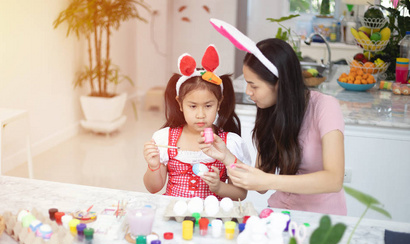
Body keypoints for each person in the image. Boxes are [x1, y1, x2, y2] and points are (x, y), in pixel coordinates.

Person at [202, 19, 346, 215]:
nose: (248, 92)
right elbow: (260, 183)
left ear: (279, 83)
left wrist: (268, 180)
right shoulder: (269, 112)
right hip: (278, 211)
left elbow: (334, 180)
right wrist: (227, 158)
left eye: (254, 85)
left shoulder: (325, 107)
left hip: (321, 218)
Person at [143, 45, 251, 200]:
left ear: (219, 103)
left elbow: (240, 194)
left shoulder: (229, 143)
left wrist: (219, 187)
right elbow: (153, 189)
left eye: (208, 106)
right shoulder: (164, 139)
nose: (200, 115)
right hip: (174, 216)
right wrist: (153, 166)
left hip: (211, 219)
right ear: (180, 104)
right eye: (192, 106)